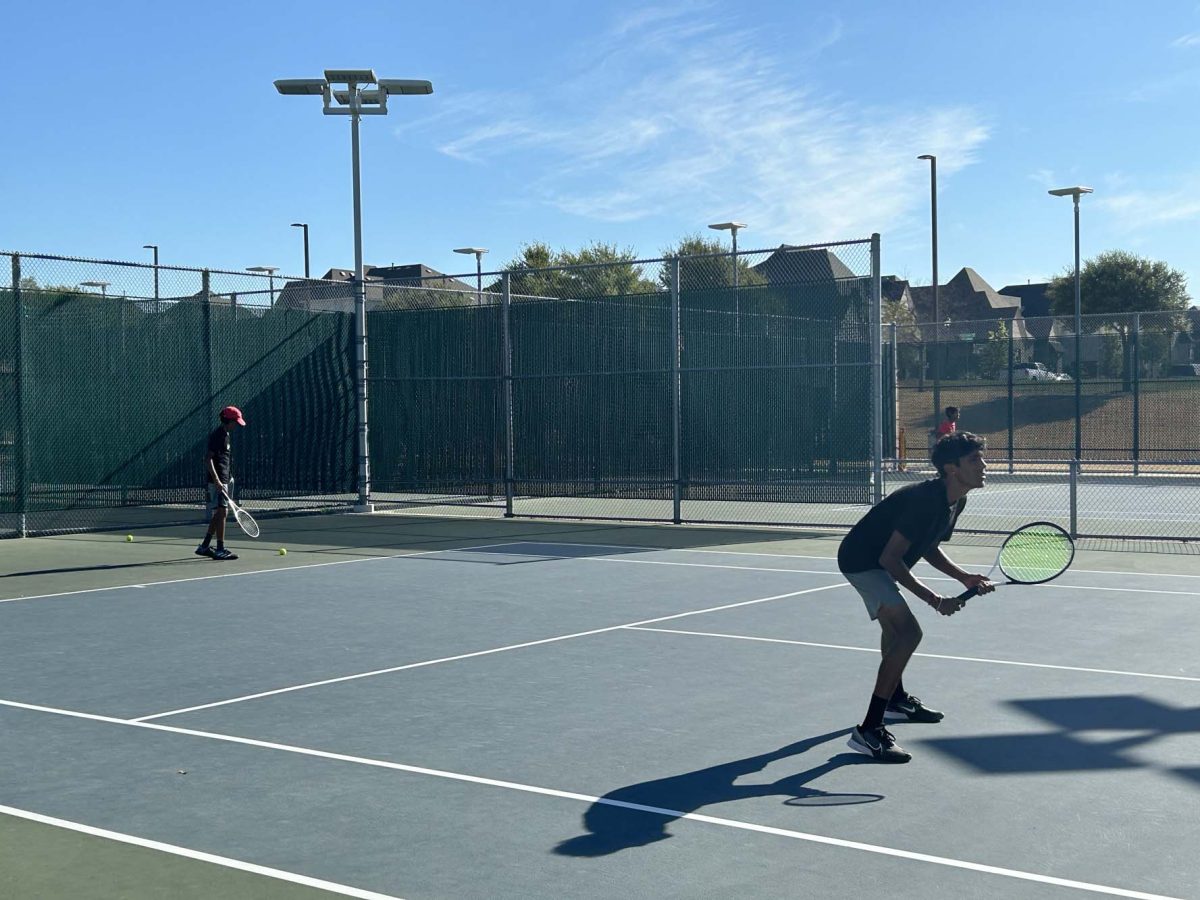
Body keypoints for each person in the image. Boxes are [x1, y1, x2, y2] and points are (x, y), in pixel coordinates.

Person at [836, 431, 994, 763]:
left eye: (981, 458)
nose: (983, 465)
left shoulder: (955, 500)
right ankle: (869, 731)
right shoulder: (925, 499)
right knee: (909, 633)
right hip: (861, 561)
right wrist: (935, 599)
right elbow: (890, 559)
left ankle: (895, 700)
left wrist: (963, 576)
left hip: (879, 559)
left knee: (895, 632)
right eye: (974, 460)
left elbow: (928, 544)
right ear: (952, 469)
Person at [196, 405, 246, 561]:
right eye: (235, 422)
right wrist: (217, 480)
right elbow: (208, 459)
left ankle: (204, 546)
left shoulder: (226, 434)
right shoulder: (219, 435)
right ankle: (220, 549)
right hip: (218, 481)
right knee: (222, 513)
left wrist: (227, 478)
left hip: (225, 479)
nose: (237, 425)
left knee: (219, 514)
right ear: (228, 421)